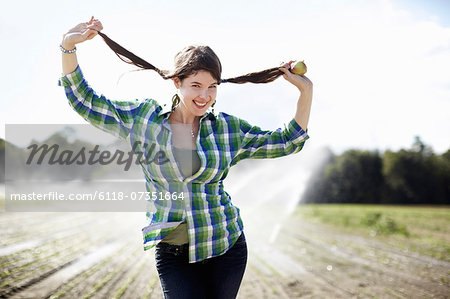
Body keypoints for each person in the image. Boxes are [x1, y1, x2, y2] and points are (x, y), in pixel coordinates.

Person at [60, 16, 312, 299]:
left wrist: (306, 91)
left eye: (213, 86)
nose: (205, 95)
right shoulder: (144, 119)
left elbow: (288, 142)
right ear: (177, 82)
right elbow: (84, 101)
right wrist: (68, 47)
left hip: (225, 247)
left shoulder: (227, 129)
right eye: (196, 85)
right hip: (173, 254)